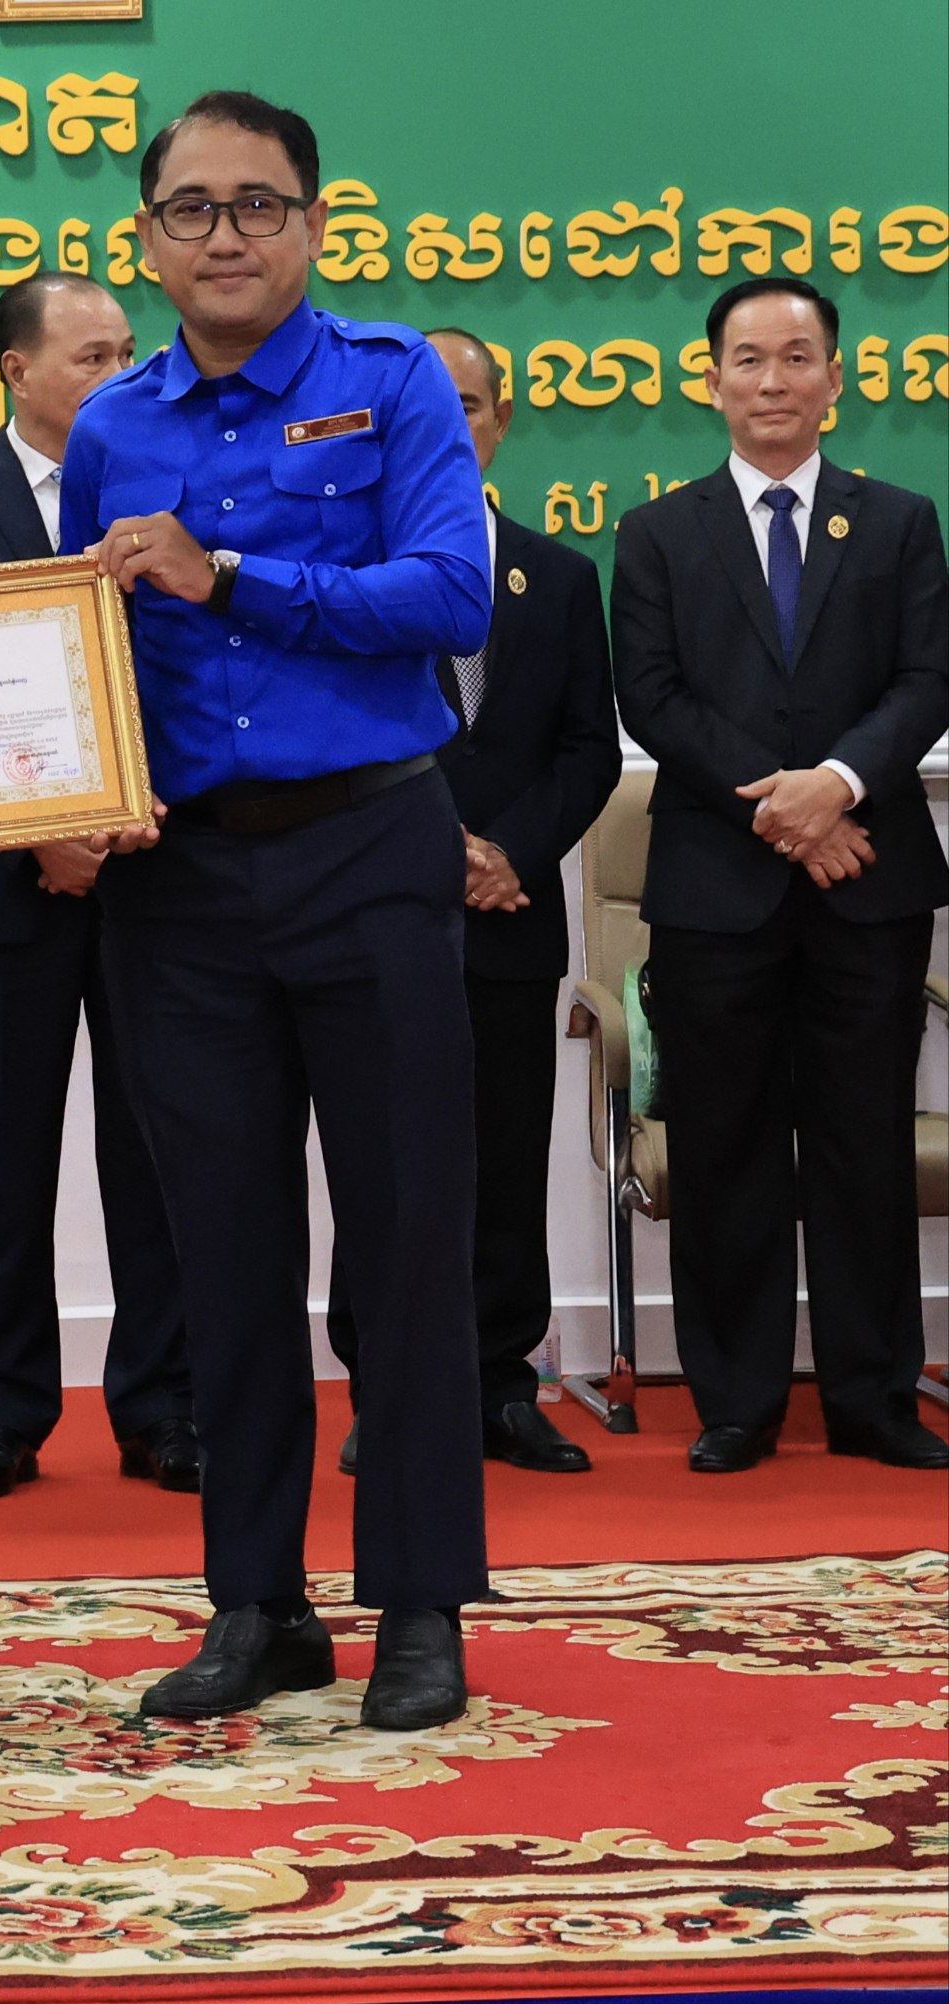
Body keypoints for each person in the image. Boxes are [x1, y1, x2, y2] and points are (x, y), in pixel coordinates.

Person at [61, 88, 493, 1731]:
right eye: (192, 208)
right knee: (220, 1256)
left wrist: (231, 575)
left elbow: (448, 594)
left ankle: (421, 1606)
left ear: (313, 223)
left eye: (258, 204)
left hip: (369, 854)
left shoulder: (391, 382)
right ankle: (258, 1603)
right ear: (148, 238)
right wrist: (54, 795)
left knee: (406, 1245)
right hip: (181, 890)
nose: (225, 234)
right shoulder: (113, 426)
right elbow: (82, 655)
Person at [612, 277, 949, 1475]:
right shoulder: (658, 532)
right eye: (748, 359)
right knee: (727, 1144)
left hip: (870, 883)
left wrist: (840, 784)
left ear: (834, 379)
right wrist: (791, 812)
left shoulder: (899, 520)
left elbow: (927, 678)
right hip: (718, 887)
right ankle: (738, 1399)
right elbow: (653, 694)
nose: (771, 380)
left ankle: (874, 1395)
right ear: (712, 381)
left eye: (796, 357)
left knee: (865, 1140)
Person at [328, 329, 621, 1476]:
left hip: (510, 917)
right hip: (375, 913)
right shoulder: (347, 569)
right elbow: (333, 733)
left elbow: (589, 751)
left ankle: (504, 1384)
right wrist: (431, 848)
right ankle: (388, 1388)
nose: (450, 424)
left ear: (500, 421)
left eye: (470, 403)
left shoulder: (560, 576)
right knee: (382, 1162)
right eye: (427, 404)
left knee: (505, 1162)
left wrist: (508, 853)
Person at [0, 274, 196, 1503]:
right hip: (2, 888)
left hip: (156, 875)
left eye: (131, 351)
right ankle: (1, 1411)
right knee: (3, 1161)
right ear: (15, 371)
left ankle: (164, 1404)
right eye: (93, 356)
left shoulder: (166, 492)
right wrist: (41, 833)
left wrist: (125, 818)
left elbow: (197, 672)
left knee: (159, 1153)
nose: (123, 375)